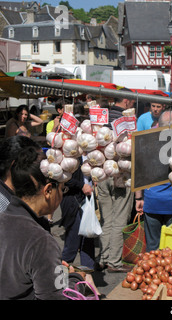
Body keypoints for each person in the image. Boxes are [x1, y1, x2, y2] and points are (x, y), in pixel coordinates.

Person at [0, 146, 91, 300]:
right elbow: (56, 296)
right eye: (62, 189)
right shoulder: (40, 240)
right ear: (48, 190)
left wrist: (53, 266)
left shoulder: (4, 219)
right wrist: (77, 279)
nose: (62, 195)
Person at [134, 110, 172, 251]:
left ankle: (152, 273)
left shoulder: (146, 144)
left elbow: (139, 172)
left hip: (152, 201)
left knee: (153, 247)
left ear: (158, 125)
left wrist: (138, 198)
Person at [96, 89, 136, 273]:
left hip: (101, 173)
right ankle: (114, 261)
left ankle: (103, 258)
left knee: (107, 218)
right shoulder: (128, 121)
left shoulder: (103, 116)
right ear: (126, 101)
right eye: (133, 102)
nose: (133, 106)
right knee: (120, 218)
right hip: (121, 173)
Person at [59, 105, 96, 274]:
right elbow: (63, 177)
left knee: (88, 239)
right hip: (73, 199)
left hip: (87, 198)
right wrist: (82, 185)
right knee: (73, 241)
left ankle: (88, 276)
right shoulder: (67, 151)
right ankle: (59, 280)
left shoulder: (89, 150)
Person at [0, 136, 41, 214]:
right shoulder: (3, 206)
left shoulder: (14, 197)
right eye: (35, 165)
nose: (39, 172)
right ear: (14, 166)